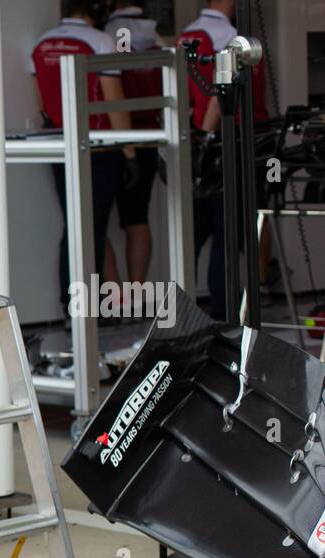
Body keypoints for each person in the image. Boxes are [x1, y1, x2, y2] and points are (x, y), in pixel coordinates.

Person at [30, 0, 134, 314]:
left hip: (59, 145)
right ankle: (85, 309)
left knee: (76, 224)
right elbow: (113, 102)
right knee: (92, 228)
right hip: (98, 147)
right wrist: (130, 153)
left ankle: (74, 305)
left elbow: (43, 104)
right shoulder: (100, 41)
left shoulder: (42, 44)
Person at [181, 0, 273, 321]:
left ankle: (185, 310)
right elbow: (218, 96)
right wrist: (208, 139)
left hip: (199, 143)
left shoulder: (187, 36)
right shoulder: (230, 38)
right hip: (227, 141)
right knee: (228, 230)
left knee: (195, 232)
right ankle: (225, 309)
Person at [104, 1, 164, 289]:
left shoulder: (106, 35)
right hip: (150, 136)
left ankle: (115, 296)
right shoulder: (156, 38)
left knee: (96, 221)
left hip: (110, 138)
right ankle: (137, 292)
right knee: (137, 217)